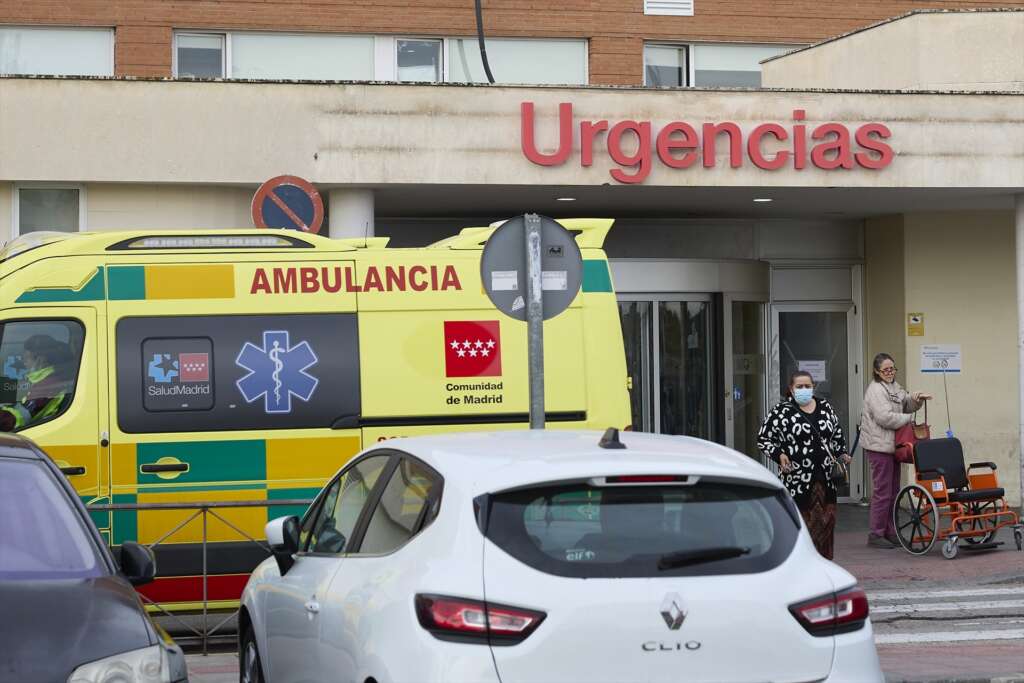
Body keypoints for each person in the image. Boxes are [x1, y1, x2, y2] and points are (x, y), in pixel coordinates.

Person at [757, 371, 850, 559]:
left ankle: (824, 564)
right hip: (796, 481)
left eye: (808, 386)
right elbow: (763, 438)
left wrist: (842, 454)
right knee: (799, 525)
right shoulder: (781, 411)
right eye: (799, 386)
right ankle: (799, 563)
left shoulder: (825, 407)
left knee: (826, 523)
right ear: (791, 389)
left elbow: (837, 435)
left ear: (813, 387)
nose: (804, 390)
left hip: (826, 480)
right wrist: (779, 454)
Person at [861, 353, 931, 548]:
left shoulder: (894, 386)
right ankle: (876, 534)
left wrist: (916, 399)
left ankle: (890, 531)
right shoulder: (875, 390)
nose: (890, 372)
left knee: (893, 491)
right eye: (886, 370)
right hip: (879, 447)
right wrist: (908, 419)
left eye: (892, 369)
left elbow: (905, 403)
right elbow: (884, 417)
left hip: (893, 446)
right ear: (877, 371)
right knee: (883, 491)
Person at [0, 335, 75, 432]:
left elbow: (18, 417)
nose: (24, 363)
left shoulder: (48, 385)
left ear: (41, 359)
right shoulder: (41, 380)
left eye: (26, 358)